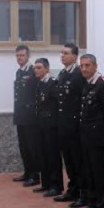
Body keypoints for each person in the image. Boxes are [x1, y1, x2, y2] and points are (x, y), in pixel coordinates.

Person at [77, 54, 104, 208]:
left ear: (95, 66)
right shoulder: (88, 84)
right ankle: (92, 202)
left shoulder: (103, 85)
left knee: (99, 173)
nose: (84, 69)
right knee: (89, 171)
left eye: (87, 65)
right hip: (86, 136)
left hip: (98, 137)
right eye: (82, 66)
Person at [54, 43, 87, 207]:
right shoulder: (63, 73)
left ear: (75, 56)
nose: (62, 56)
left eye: (66, 53)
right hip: (64, 124)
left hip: (74, 125)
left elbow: (81, 99)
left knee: (77, 160)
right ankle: (72, 189)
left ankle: (81, 192)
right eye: (62, 53)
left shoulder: (78, 74)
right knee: (68, 160)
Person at [33, 58, 63, 197]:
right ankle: (46, 183)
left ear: (46, 69)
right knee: (42, 154)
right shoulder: (39, 84)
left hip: (51, 126)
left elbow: (57, 105)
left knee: (52, 156)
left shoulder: (53, 84)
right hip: (41, 124)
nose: (36, 70)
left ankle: (56, 185)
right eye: (35, 68)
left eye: (39, 68)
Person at [12, 45, 41, 186]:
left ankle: (35, 175)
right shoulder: (19, 72)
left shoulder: (33, 71)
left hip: (30, 117)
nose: (19, 58)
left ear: (28, 56)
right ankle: (27, 172)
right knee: (23, 146)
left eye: (22, 55)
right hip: (21, 116)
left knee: (32, 147)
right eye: (17, 56)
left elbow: (36, 93)